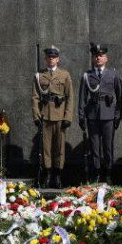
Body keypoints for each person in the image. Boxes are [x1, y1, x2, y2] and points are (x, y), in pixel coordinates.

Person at [77, 44, 122, 184]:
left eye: (101, 55)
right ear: (92, 58)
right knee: (94, 147)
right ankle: (96, 173)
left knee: (108, 147)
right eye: (96, 55)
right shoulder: (87, 75)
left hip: (108, 115)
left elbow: (120, 97)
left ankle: (108, 173)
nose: (98, 57)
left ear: (106, 58)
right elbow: (82, 98)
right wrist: (81, 116)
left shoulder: (113, 74)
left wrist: (118, 115)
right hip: (92, 115)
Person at [31, 46, 75, 188]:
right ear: (45, 59)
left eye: (54, 57)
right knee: (46, 148)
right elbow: (35, 97)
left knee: (59, 148)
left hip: (60, 116)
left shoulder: (64, 75)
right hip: (45, 115)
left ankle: (57, 176)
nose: (51, 59)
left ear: (58, 59)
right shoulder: (39, 75)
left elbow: (70, 97)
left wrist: (68, 117)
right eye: (49, 57)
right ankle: (47, 175)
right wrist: (36, 116)